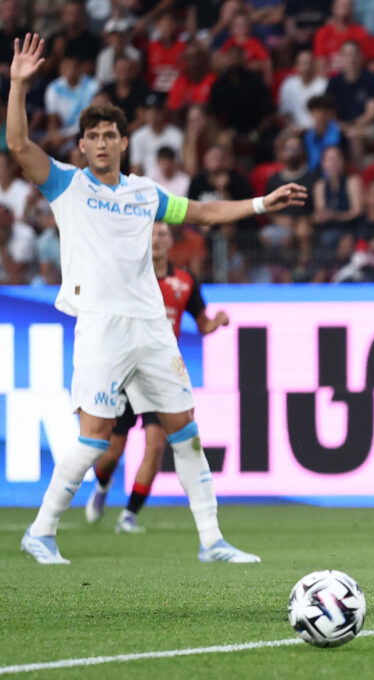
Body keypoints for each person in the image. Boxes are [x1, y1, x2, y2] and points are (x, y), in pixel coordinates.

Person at [9, 34, 306, 564]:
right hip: (101, 324)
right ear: (82, 146)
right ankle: (42, 530)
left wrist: (264, 201)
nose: (101, 144)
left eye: (110, 135)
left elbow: (206, 214)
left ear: (125, 142)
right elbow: (17, 146)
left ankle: (212, 540)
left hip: (152, 326)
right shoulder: (68, 187)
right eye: (93, 136)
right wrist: (17, 85)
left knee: (184, 429)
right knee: (96, 436)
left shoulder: (145, 193)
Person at [85, 222, 230, 533]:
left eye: (163, 233)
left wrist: (216, 320)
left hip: (159, 373)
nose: (157, 239)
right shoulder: (128, 278)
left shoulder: (185, 281)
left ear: (170, 242)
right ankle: (103, 483)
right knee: (112, 451)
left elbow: (202, 324)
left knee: (155, 445)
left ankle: (129, 515)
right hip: (126, 371)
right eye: (151, 233)